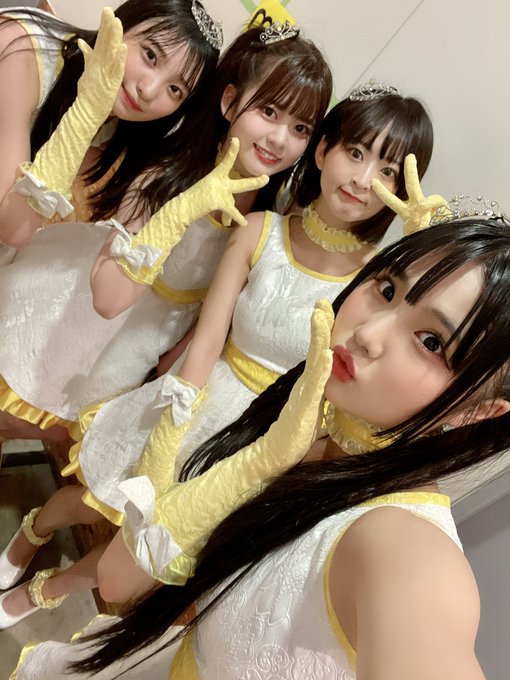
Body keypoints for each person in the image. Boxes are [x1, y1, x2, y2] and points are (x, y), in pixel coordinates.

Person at [11, 205, 510, 679]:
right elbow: (119, 580)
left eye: (431, 342)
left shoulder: (407, 552)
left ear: (477, 411)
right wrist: (256, 461)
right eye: (387, 289)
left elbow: (423, 609)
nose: (368, 334)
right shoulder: (306, 431)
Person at [0, 23, 333, 620]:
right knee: (13, 413)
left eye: (300, 127)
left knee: (60, 437)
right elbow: (108, 296)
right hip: (80, 316)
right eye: (269, 111)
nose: (280, 138)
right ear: (230, 102)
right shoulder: (169, 172)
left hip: (135, 352)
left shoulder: (270, 217)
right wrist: (183, 209)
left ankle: (30, 534)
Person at [0, 0, 221, 243]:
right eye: (150, 55)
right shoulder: (22, 52)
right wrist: (85, 114)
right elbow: (13, 229)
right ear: (122, 24)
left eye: (175, 89)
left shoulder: (115, 127)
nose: (148, 90)